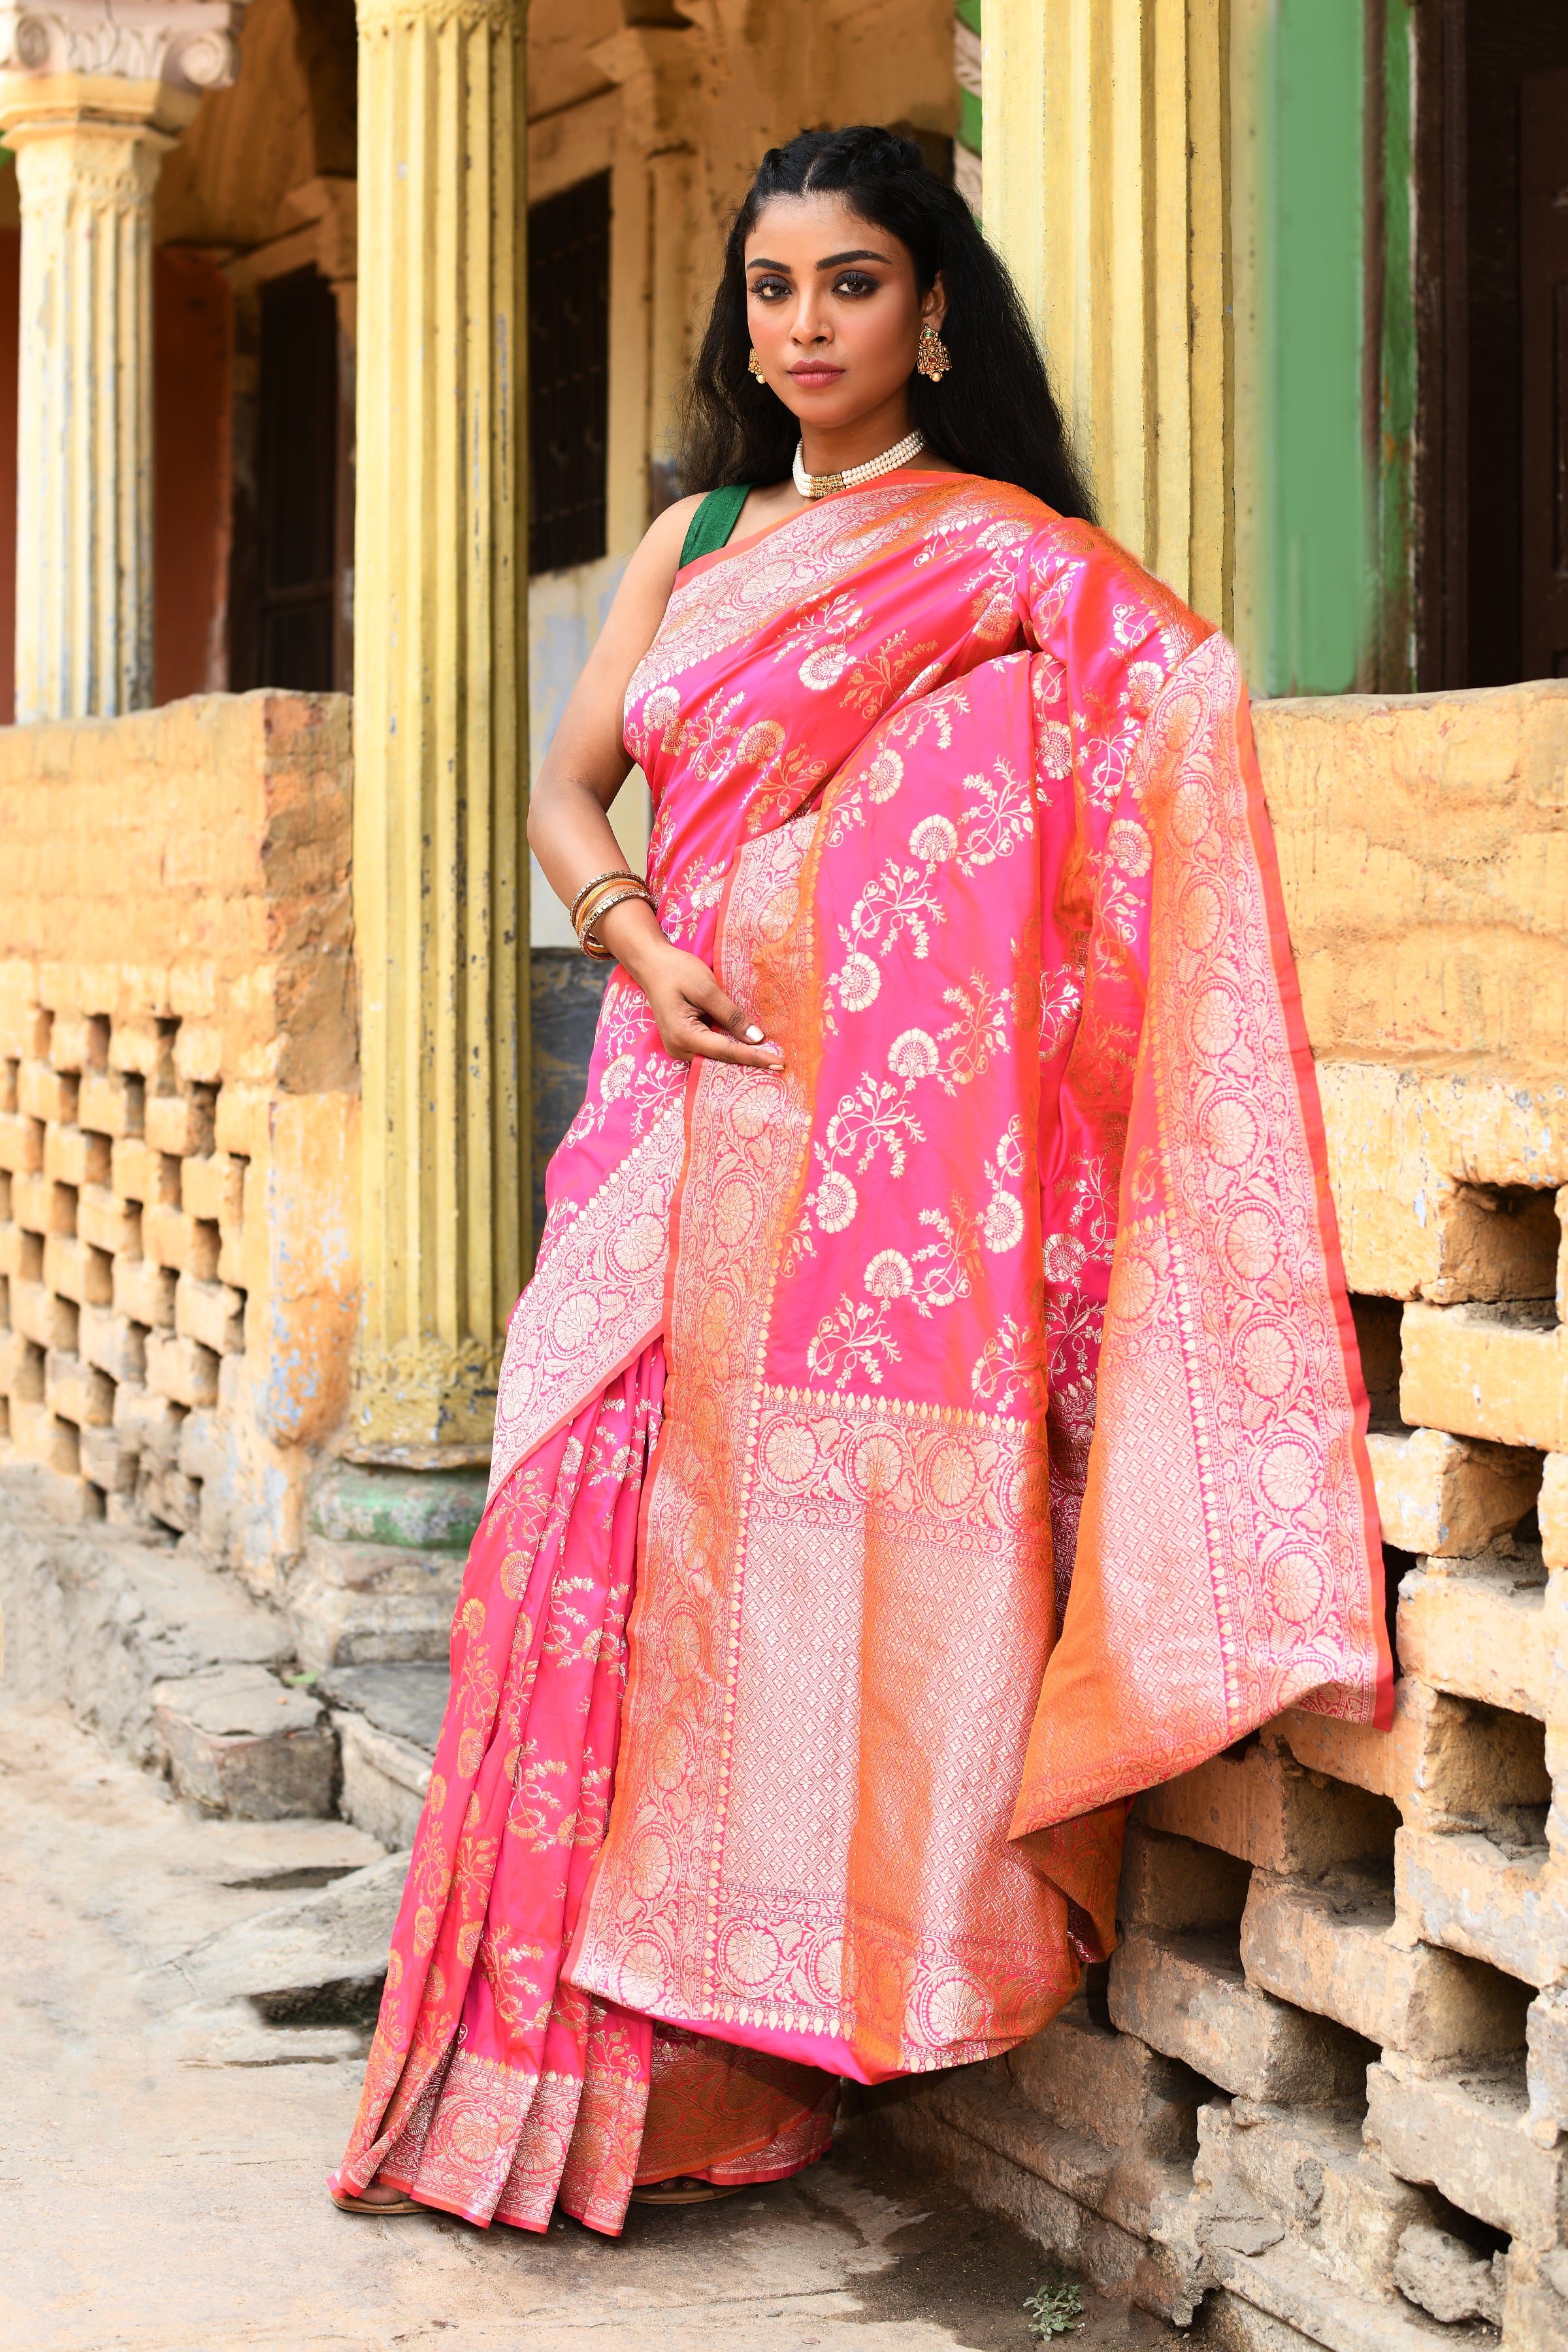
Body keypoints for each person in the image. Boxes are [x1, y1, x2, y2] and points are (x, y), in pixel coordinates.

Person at [331, 125, 1390, 2232]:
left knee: (777, 1592)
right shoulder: (704, 533)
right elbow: (569, 786)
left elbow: (1168, 715)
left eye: (852, 283)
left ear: (933, 310)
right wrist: (639, 937)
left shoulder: (1005, 553)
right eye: (773, 287)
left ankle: (711, 2081)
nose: (805, 324)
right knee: (572, 1545)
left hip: (864, 1187)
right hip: (664, 1116)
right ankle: (531, 2076)